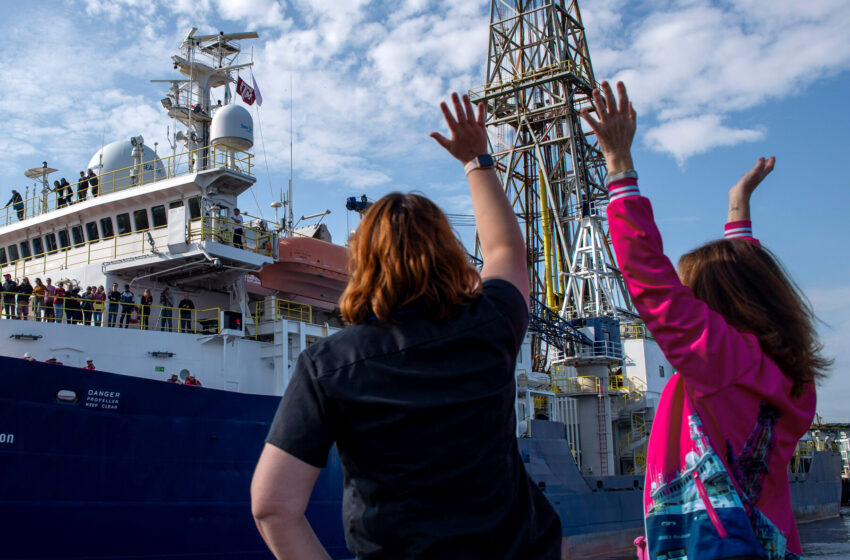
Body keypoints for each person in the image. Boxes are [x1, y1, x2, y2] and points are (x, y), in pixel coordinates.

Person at [251, 93, 561, 559]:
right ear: (448, 254)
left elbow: (273, 507)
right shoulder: (490, 324)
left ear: (362, 263)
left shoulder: (328, 364)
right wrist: (476, 160)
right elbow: (506, 254)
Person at [579, 81, 829, 559]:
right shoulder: (793, 382)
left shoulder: (721, 363)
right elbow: (745, 279)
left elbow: (650, 282)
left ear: (714, 306)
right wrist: (739, 209)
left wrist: (619, 170)